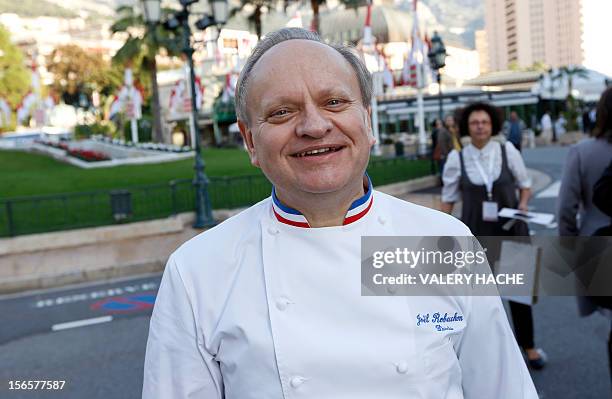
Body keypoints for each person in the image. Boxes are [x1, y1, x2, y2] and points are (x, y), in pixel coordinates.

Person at [143, 28, 538, 398]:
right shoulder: (197, 272)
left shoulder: (443, 242)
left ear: (367, 120)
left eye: (334, 102)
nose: (314, 126)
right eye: (282, 112)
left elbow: (503, 388)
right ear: (250, 140)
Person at [440, 102, 547, 370]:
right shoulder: (457, 158)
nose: (480, 126)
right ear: (467, 126)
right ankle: (489, 357)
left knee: (519, 295)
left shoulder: (506, 150)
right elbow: (448, 199)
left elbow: (525, 185)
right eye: (475, 122)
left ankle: (530, 347)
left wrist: (523, 204)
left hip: (512, 231)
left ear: (492, 126)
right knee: (480, 301)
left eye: (484, 122)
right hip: (476, 236)